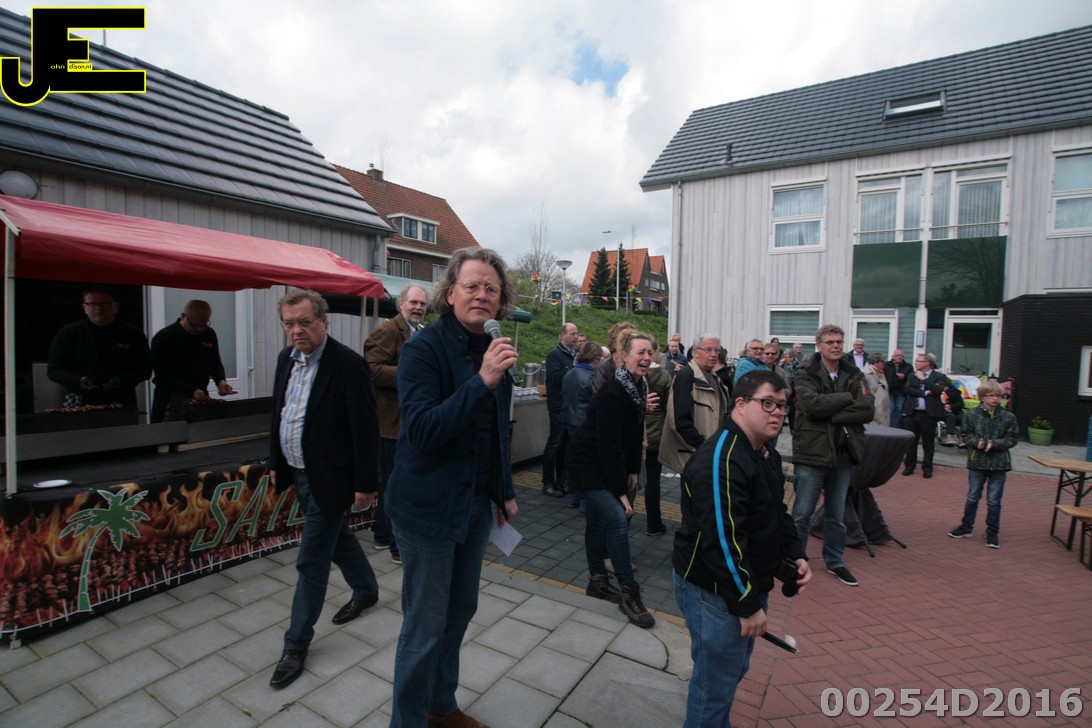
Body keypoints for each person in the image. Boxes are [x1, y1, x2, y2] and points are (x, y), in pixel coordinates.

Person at [385, 248, 519, 728]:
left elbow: (496, 432)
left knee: (460, 611)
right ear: (450, 293)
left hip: (474, 504)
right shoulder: (422, 349)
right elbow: (422, 431)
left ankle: (440, 707)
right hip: (426, 508)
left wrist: (503, 491)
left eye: (491, 289)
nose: (482, 295)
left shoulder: (495, 347)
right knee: (425, 624)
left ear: (501, 300)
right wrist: (482, 380)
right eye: (472, 286)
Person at [674, 370, 811, 728]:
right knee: (715, 684)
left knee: (731, 671)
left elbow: (775, 512)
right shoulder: (721, 459)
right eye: (767, 403)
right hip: (714, 591)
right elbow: (722, 541)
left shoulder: (763, 453)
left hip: (742, 585)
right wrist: (747, 604)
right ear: (740, 404)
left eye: (782, 405)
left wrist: (796, 554)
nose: (777, 412)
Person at [268, 289, 381, 689]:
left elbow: (365, 428)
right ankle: (367, 589)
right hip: (299, 472)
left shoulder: (348, 364)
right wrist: (276, 463)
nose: (296, 330)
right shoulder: (286, 358)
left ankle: (295, 644)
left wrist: (366, 483)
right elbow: (281, 413)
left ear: (323, 321)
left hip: (332, 477)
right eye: (289, 324)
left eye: (304, 322)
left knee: (311, 561)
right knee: (337, 539)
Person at [567, 332, 658, 628]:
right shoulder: (613, 392)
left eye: (650, 352)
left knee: (597, 522)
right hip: (587, 463)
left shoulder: (638, 386)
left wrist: (633, 470)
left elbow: (633, 434)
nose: (646, 358)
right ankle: (629, 593)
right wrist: (620, 491)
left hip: (604, 462)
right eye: (640, 352)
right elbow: (609, 446)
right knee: (618, 519)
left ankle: (597, 582)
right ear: (623, 356)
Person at [790, 324, 874, 588]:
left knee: (836, 517)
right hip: (812, 454)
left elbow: (867, 409)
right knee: (801, 514)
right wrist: (846, 398)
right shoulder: (806, 372)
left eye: (839, 341)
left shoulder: (854, 373)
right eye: (830, 342)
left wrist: (831, 412)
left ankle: (835, 561)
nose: (836, 346)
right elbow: (811, 406)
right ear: (819, 345)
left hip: (843, 456)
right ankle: (795, 560)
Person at [363, 284, 429, 564]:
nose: (418, 308)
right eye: (413, 302)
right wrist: (411, 374)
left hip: (406, 421)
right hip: (390, 423)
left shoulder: (418, 331)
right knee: (395, 483)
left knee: (391, 482)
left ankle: (381, 534)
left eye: (422, 304)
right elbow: (371, 369)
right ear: (401, 304)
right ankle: (395, 545)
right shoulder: (389, 330)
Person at [47, 285, 151, 408]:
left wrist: (122, 380)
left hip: (121, 400)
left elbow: (145, 370)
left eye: (105, 304)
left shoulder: (133, 334)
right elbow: (54, 371)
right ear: (84, 308)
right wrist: (78, 381)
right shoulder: (68, 333)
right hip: (77, 400)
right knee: (76, 421)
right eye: (92, 304)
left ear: (116, 307)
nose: (98, 308)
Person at [947, 380, 1019, 549]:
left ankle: (992, 531)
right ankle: (966, 527)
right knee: (972, 497)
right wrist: (976, 442)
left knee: (994, 501)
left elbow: (1013, 438)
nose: (995, 399)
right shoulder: (972, 414)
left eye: (999, 396)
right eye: (991, 396)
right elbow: (965, 434)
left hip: (999, 464)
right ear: (982, 397)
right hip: (977, 462)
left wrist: (994, 444)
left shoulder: (1008, 416)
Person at [149, 299, 235, 423]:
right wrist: (191, 390)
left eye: (203, 324)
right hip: (169, 398)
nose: (199, 329)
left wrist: (220, 381)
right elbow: (162, 375)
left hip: (199, 397)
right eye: (194, 325)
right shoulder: (164, 337)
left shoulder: (209, 334)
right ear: (183, 316)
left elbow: (215, 363)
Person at [659, 334, 730, 477]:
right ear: (696, 352)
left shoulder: (714, 378)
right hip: (696, 456)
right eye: (708, 350)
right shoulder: (686, 376)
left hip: (711, 453)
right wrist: (703, 446)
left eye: (717, 350)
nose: (714, 354)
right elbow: (678, 421)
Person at [561, 341, 604, 513]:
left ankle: (574, 497)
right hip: (585, 424)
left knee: (573, 460)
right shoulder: (593, 377)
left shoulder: (569, 374)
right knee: (588, 463)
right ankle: (586, 502)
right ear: (596, 358)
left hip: (569, 421)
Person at [543, 322, 579, 498]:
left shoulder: (575, 354)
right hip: (558, 406)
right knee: (555, 442)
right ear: (562, 335)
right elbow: (554, 377)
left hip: (570, 405)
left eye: (576, 333)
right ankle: (548, 482)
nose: (576, 337)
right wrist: (573, 368)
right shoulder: (554, 355)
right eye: (572, 333)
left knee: (565, 444)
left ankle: (561, 480)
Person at [901, 353, 950, 479]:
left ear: (927, 363)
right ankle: (909, 466)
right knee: (911, 443)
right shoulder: (912, 375)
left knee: (928, 443)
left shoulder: (939, 376)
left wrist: (924, 380)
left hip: (928, 415)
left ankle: (927, 468)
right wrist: (926, 393)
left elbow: (938, 390)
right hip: (912, 412)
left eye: (918, 361)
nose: (915, 363)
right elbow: (907, 389)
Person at [644, 337, 672, 536]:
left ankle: (622, 520)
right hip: (656, 435)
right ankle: (653, 524)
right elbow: (671, 405)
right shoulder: (664, 375)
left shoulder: (634, 372)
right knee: (653, 481)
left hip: (636, 432)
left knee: (630, 478)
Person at [884, 350, 913, 428]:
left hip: (901, 391)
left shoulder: (908, 366)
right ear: (893, 357)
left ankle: (895, 426)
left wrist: (905, 377)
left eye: (901, 355)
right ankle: (888, 425)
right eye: (897, 355)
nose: (899, 357)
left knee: (899, 408)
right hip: (889, 391)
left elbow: (912, 378)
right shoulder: (887, 365)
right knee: (891, 408)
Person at [863, 352, 891, 427]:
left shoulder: (881, 372)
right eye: (882, 361)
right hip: (875, 410)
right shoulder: (866, 374)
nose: (884, 363)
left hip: (883, 409)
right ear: (876, 362)